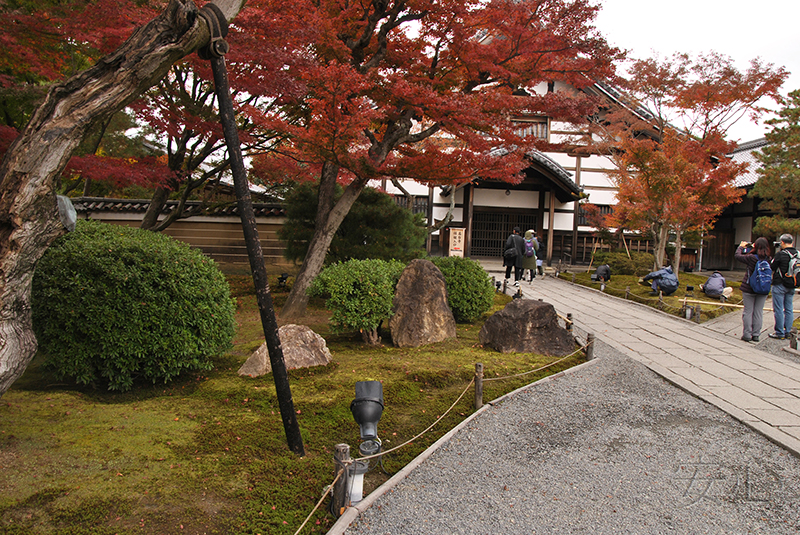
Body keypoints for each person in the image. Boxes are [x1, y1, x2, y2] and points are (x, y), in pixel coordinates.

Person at [735, 238, 771, 342]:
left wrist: (741, 246)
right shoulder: (768, 259)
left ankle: (747, 334)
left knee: (748, 311)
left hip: (749, 288)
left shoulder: (751, 258)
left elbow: (737, 256)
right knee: (758, 312)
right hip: (763, 288)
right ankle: (756, 334)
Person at [769, 233, 798, 340]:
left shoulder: (781, 254)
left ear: (781, 242)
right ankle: (788, 331)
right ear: (792, 242)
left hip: (780, 284)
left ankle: (779, 332)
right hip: (792, 284)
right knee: (789, 308)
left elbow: (772, 266)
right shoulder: (798, 254)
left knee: (779, 309)